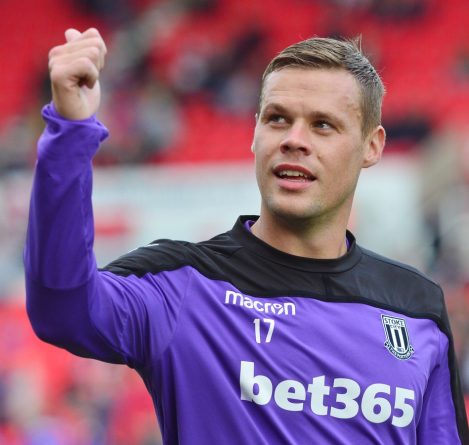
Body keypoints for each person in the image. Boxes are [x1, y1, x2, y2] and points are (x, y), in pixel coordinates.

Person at [24, 28, 468, 444]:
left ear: (372, 145)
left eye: (322, 125)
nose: (294, 140)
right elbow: (61, 309)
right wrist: (70, 132)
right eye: (277, 119)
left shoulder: (417, 307)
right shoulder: (181, 285)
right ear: (255, 133)